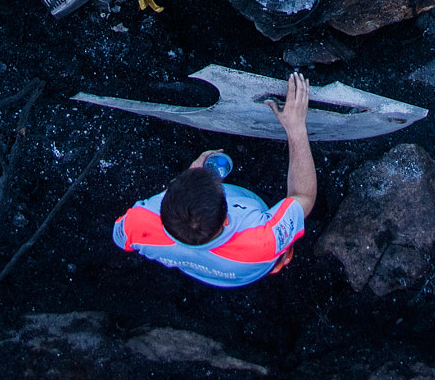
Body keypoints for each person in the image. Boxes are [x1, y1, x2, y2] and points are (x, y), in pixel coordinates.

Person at [111, 72, 318, 288]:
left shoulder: (138, 225)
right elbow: (303, 196)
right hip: (255, 259)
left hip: (219, 271)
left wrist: (192, 177)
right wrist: (296, 129)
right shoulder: (262, 239)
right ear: (227, 219)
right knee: (281, 246)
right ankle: (279, 261)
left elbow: (119, 236)